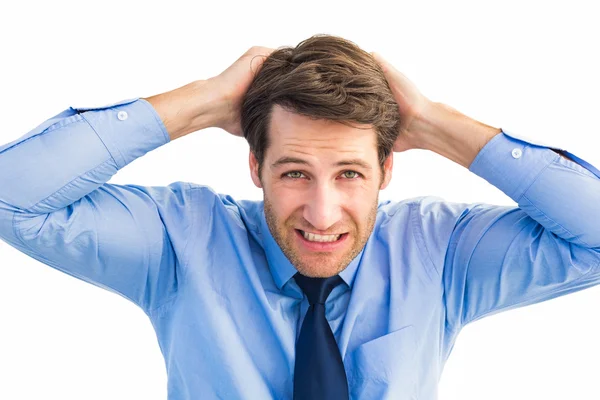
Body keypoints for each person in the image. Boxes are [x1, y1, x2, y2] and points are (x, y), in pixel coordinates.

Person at [0, 34, 598, 400]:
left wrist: (440, 124)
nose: (321, 212)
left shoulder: (438, 250)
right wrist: (204, 102)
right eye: (293, 173)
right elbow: (12, 196)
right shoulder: (181, 240)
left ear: (387, 170)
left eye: (349, 173)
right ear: (255, 166)